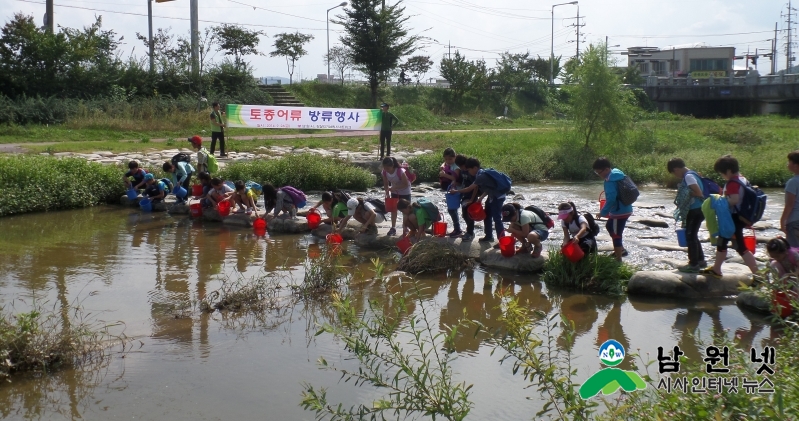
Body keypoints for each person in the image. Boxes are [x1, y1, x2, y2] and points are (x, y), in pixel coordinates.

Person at [701, 155, 759, 277]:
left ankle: (758, 276)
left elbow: (734, 200)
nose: (722, 176)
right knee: (725, 244)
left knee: (740, 248)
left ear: (728, 171)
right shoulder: (743, 179)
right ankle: (717, 269)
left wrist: (719, 202)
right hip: (740, 217)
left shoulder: (732, 183)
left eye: (722, 173)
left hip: (733, 219)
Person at [667, 158, 707, 272]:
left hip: (695, 210)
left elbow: (698, 193)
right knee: (693, 235)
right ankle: (700, 260)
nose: (675, 175)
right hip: (699, 209)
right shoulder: (693, 173)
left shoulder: (688, 177)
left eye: (674, 173)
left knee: (690, 236)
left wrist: (686, 193)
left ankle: (693, 264)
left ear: (676, 169)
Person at [456, 157, 506, 243]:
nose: (468, 172)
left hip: (497, 198)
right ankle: (489, 236)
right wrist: (481, 198)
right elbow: (489, 188)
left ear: (475, 168)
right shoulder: (482, 173)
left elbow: (469, 189)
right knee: (487, 215)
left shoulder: (481, 176)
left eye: (469, 170)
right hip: (491, 196)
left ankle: (502, 241)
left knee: (497, 219)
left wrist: (455, 191)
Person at [593, 157, 632, 261]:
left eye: (599, 172)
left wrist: (603, 212)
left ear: (606, 169)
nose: (599, 175)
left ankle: (618, 258)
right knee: (609, 226)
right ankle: (621, 250)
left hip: (619, 211)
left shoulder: (609, 181)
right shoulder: (618, 174)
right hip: (627, 207)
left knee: (616, 234)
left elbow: (611, 199)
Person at [381, 157, 412, 236]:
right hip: (394, 191)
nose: (386, 169)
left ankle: (405, 228)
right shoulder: (384, 172)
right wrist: (387, 192)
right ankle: (393, 227)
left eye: (388, 168)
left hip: (405, 192)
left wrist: (394, 188)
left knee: (405, 210)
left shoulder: (400, 171)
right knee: (393, 209)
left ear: (393, 166)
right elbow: (385, 184)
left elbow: (405, 184)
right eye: (385, 167)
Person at [440, 148, 463, 237]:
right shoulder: (446, 164)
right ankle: (457, 228)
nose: (448, 161)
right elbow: (443, 164)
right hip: (451, 191)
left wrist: (444, 175)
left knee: (452, 209)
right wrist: (442, 167)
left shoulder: (456, 167)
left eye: (450, 159)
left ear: (455, 157)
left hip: (457, 190)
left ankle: (458, 229)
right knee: (452, 210)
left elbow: (454, 178)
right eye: (446, 159)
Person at [453, 154, 475, 241]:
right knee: (464, 214)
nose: (462, 168)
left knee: (469, 214)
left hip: (471, 195)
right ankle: (469, 231)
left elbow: (475, 186)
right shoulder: (462, 171)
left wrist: (472, 199)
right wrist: (455, 183)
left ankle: (470, 233)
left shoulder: (471, 172)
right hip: (465, 194)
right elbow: (462, 183)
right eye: (460, 167)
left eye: (462, 166)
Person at [781, 150, 799, 247]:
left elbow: (789, 205)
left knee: (795, 250)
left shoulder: (793, 182)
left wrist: (783, 220)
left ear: (795, 166)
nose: (788, 164)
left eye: (789, 162)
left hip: (794, 221)